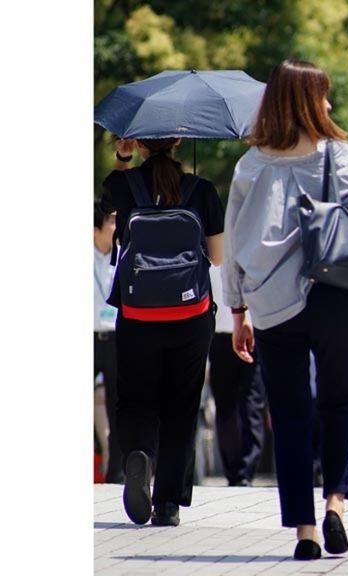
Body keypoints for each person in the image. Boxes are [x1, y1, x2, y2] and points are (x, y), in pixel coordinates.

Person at [223, 59, 348, 561]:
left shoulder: (251, 165)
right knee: (338, 404)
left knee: (290, 416)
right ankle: (335, 502)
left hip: (272, 305)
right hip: (334, 292)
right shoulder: (341, 155)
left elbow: (233, 243)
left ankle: (305, 533)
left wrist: (237, 310)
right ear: (308, 99)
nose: (330, 104)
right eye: (324, 95)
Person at [101, 136, 224, 527]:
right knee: (182, 406)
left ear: (136, 143)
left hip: (137, 313)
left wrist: (121, 160)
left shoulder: (123, 185)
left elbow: (107, 215)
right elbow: (217, 256)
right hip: (190, 314)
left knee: (135, 397)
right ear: (179, 141)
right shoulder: (201, 190)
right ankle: (168, 503)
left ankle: (138, 453)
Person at [208, 265, 266, 487]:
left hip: (252, 329)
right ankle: (234, 472)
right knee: (225, 405)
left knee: (252, 402)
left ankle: (246, 470)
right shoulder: (210, 241)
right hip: (218, 334)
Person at [93, 203, 123, 484]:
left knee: (118, 407)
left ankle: (117, 473)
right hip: (89, 339)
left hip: (115, 339)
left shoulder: (123, 255)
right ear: (95, 228)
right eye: (111, 221)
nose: (116, 225)